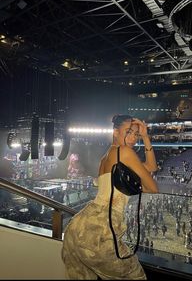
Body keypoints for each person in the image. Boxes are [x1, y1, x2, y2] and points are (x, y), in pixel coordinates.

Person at [61, 114, 159, 279]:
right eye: (128, 132)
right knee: (136, 277)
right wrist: (134, 188)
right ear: (115, 132)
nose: (134, 137)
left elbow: (151, 166)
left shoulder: (105, 157)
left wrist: (145, 137)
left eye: (136, 134)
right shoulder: (125, 152)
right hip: (101, 230)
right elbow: (153, 187)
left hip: (79, 226)